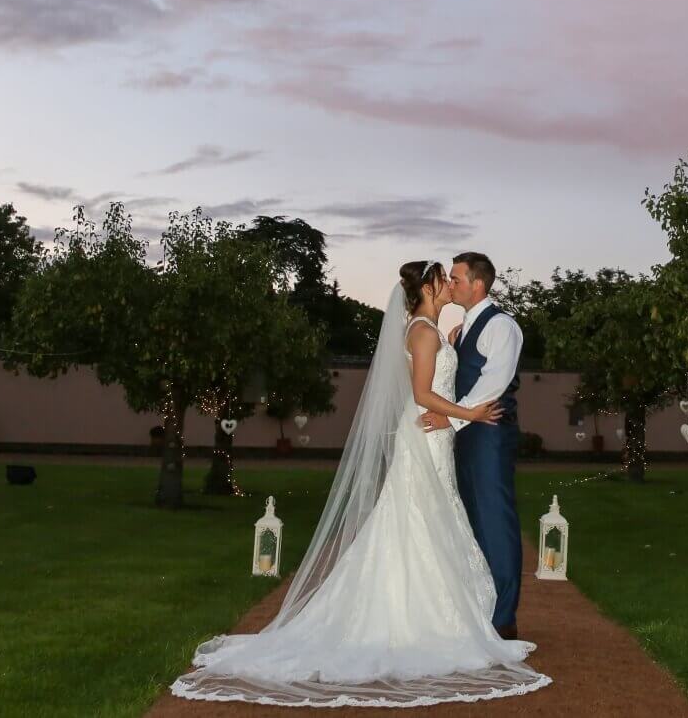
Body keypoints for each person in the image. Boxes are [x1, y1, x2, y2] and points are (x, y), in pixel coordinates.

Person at [170, 260, 550, 707]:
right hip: (431, 434)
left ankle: (454, 614)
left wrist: (455, 395)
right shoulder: (425, 332)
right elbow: (425, 394)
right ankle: (422, 616)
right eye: (443, 277)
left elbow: (465, 379)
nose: (450, 282)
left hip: (439, 437)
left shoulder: (449, 329)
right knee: (419, 516)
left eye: (456, 276)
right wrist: (467, 413)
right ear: (428, 287)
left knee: (434, 516)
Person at [418, 252, 525, 640]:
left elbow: (493, 383)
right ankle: (481, 605)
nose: (452, 283)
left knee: (495, 519)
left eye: (458, 278)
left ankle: (504, 619)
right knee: (471, 520)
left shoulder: (502, 327)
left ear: (478, 283)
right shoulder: (460, 332)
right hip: (464, 435)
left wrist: (453, 416)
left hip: (488, 433)